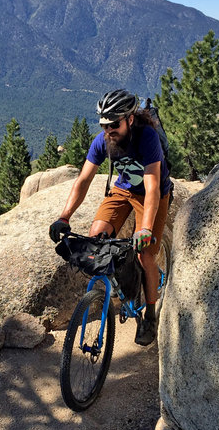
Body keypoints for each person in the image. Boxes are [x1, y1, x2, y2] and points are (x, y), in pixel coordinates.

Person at [49, 89, 172, 346]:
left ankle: (150, 314)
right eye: (104, 124)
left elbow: (151, 187)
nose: (109, 130)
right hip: (122, 190)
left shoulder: (147, 137)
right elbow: (83, 180)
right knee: (96, 239)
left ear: (129, 119)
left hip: (153, 194)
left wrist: (145, 228)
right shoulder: (103, 141)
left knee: (145, 253)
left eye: (114, 124)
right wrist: (64, 217)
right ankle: (127, 278)